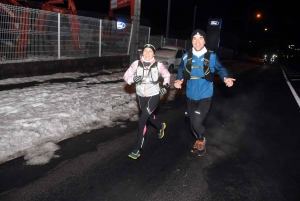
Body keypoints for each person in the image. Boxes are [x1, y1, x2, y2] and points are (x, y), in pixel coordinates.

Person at [174, 29, 236, 156]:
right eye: (194, 39)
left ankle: (202, 139)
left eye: (200, 38)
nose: (197, 41)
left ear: (204, 41)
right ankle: (199, 138)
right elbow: (181, 69)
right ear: (191, 41)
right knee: (192, 123)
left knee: (196, 122)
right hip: (190, 95)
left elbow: (220, 68)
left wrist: (226, 78)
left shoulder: (211, 56)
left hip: (205, 95)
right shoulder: (186, 56)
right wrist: (178, 80)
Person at [123, 44, 171, 160]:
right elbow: (126, 76)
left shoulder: (158, 65)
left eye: (150, 51)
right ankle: (160, 126)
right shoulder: (136, 64)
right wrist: (132, 79)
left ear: (154, 54)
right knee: (149, 116)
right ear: (142, 52)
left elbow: (167, 75)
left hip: (154, 95)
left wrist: (165, 86)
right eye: (145, 51)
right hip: (140, 96)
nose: (147, 53)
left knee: (142, 121)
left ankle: (137, 149)